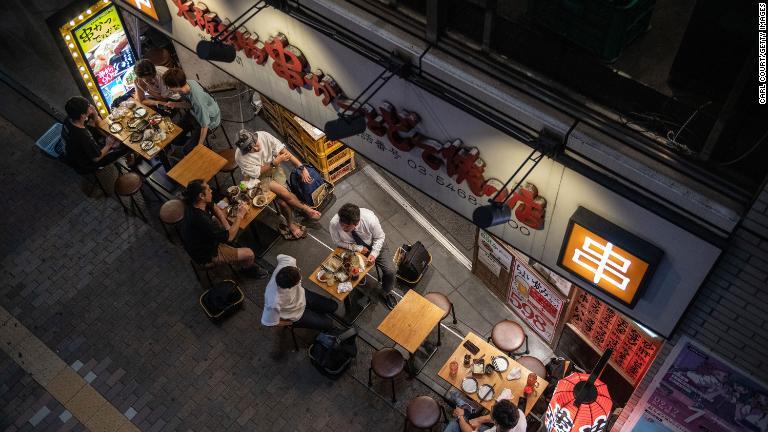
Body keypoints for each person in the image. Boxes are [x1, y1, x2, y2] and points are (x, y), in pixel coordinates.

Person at [234, 130, 321, 239]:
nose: (255, 150)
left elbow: (286, 153)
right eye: (250, 150)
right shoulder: (240, 157)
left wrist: (301, 167)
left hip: (274, 169)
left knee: (285, 197)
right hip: (258, 178)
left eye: (255, 145)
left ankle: (300, 213)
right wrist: (275, 162)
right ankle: (304, 211)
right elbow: (257, 172)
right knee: (283, 200)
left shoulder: (264, 136)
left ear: (255, 138)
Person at [180, 179, 266, 277]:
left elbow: (214, 206)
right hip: (207, 253)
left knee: (221, 219)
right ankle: (247, 270)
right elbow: (229, 237)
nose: (211, 190)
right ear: (201, 196)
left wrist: (225, 223)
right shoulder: (201, 220)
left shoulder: (194, 203)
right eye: (208, 190)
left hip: (202, 239)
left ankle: (232, 247)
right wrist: (240, 215)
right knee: (249, 253)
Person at [329, 203, 397, 309]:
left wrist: (374, 254)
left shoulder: (370, 220)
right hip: (353, 247)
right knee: (349, 269)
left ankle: (386, 292)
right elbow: (337, 242)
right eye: (342, 224)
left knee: (390, 271)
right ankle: (360, 276)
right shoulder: (334, 223)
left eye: (347, 226)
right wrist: (357, 248)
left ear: (356, 223)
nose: (342, 227)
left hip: (374, 245)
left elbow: (379, 238)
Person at [261, 254, 338, 331]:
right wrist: (290, 323)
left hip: (302, 295)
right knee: (329, 324)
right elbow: (268, 323)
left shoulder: (288, 262)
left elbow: (279, 256)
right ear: (291, 287)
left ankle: (318, 313)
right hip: (296, 313)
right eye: (299, 279)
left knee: (333, 306)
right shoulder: (273, 302)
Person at [63, 96, 129, 174]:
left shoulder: (70, 118)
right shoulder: (82, 135)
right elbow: (96, 158)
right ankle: (131, 162)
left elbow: (93, 123)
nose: (91, 107)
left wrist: (94, 113)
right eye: (88, 107)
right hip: (86, 164)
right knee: (126, 146)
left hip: (71, 151)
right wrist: (108, 145)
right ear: (83, 116)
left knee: (106, 135)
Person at [161, 67, 220, 151]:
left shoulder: (198, 101)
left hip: (209, 122)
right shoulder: (188, 84)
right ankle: (190, 143)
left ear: (177, 86)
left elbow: (205, 125)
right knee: (173, 137)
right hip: (195, 113)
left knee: (187, 150)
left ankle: (199, 149)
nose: (168, 89)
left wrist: (200, 145)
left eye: (169, 87)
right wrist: (175, 104)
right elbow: (190, 105)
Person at [445, 399, 526, 432]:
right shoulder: (520, 414)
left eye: (491, 411)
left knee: (453, 424)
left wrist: (460, 416)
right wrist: (479, 420)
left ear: (496, 423)